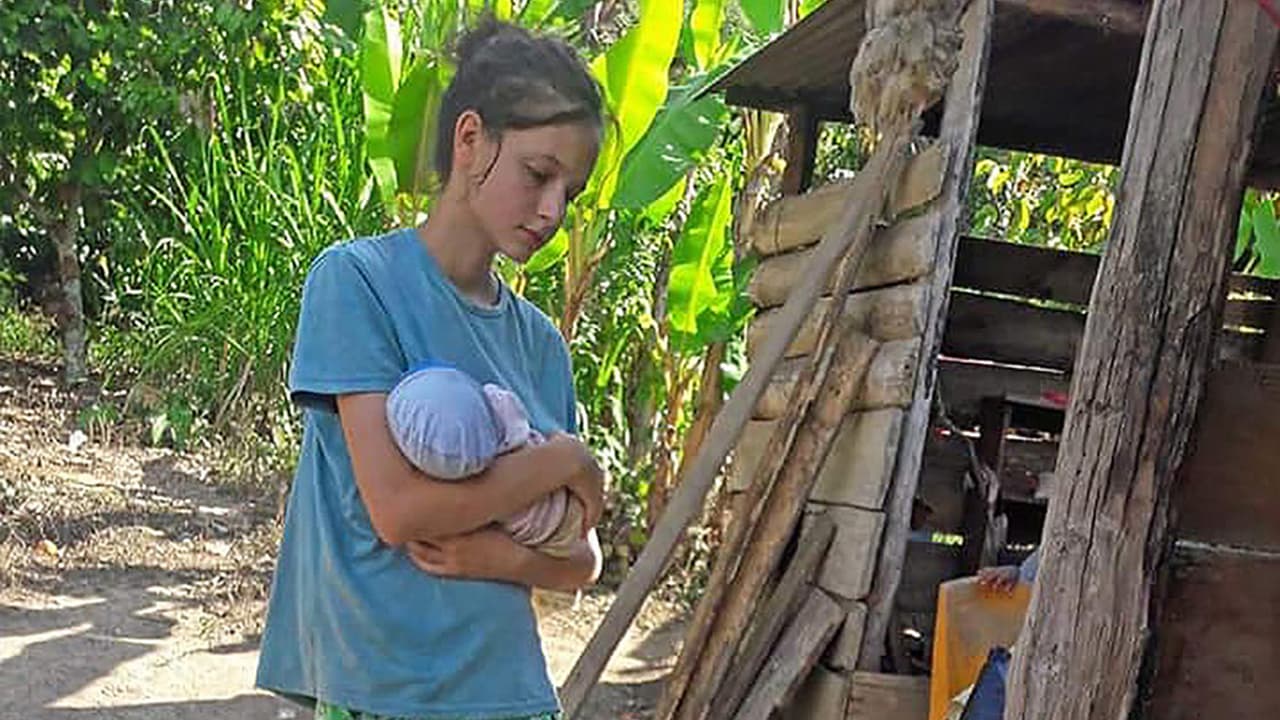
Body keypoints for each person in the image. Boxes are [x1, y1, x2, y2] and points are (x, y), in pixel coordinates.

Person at [255, 18, 607, 720]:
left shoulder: (541, 346)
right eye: (539, 174)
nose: (551, 210)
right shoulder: (357, 282)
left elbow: (580, 560)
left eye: (570, 192)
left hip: (511, 694)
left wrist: (502, 560)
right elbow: (400, 510)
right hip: (382, 689)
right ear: (470, 139)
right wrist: (567, 459)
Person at [385, 362, 584, 558]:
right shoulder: (505, 429)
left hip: (542, 534)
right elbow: (397, 521)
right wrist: (568, 460)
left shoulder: (456, 482)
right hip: (566, 517)